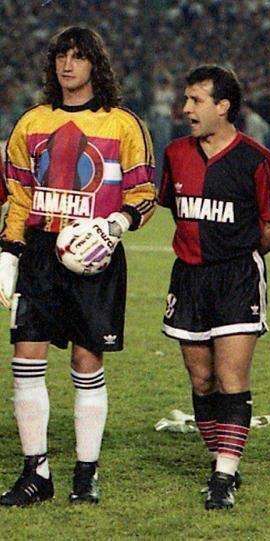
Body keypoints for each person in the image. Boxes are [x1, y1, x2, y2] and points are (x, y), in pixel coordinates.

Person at [0, 26, 156, 507]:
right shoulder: (32, 122)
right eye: (61, 57)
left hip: (95, 256)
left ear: (95, 65)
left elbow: (144, 193)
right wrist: (9, 250)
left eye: (78, 57)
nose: (68, 65)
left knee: (86, 363)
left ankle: (86, 473)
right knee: (26, 359)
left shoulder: (123, 125)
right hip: (41, 255)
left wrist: (116, 225)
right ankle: (36, 473)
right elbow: (19, 195)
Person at [158, 64, 270, 510]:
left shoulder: (258, 160)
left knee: (231, 377)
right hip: (188, 277)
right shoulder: (176, 153)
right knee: (202, 378)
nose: (186, 109)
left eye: (196, 100)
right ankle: (220, 456)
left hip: (236, 278)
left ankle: (224, 474)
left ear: (223, 106)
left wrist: (238, 254)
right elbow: (174, 208)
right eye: (187, 99)